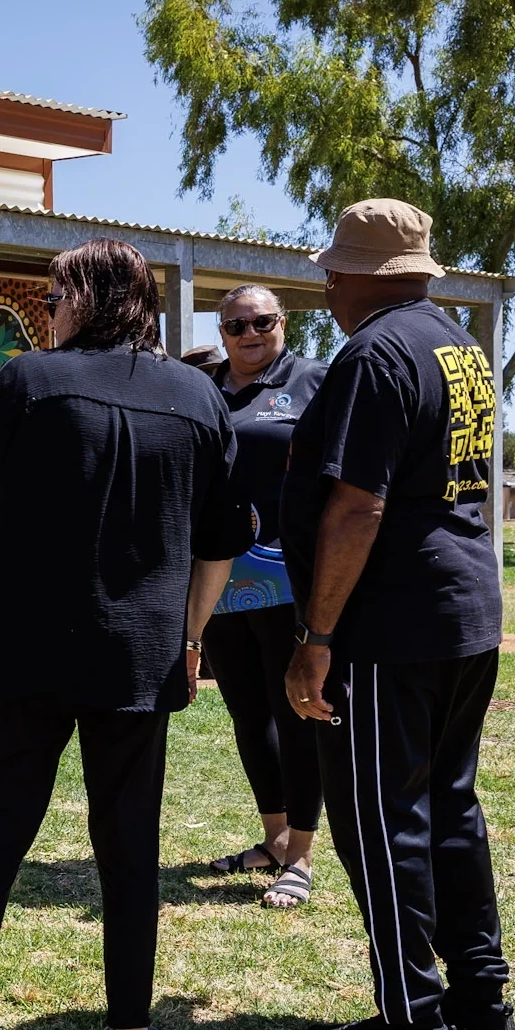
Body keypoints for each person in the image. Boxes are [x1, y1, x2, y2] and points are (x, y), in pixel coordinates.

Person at [0, 238, 247, 1030]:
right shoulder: (198, 397)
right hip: (141, 658)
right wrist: (189, 635)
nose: (47, 314)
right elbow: (222, 540)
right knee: (129, 842)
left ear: (84, 299)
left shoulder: (29, 382)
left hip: (32, 651)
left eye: (51, 298)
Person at [280, 198, 515, 1030]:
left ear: (360, 277)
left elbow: (358, 505)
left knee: (381, 823)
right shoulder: (460, 347)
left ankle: (415, 1026)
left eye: (332, 270)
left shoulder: (374, 353)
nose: (325, 283)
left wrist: (317, 635)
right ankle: (482, 1003)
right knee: (450, 806)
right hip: (465, 609)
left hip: (392, 625)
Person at [200, 286, 328, 909]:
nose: (250, 333)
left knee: (294, 713)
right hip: (218, 582)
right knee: (248, 714)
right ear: (221, 332)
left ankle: (301, 854)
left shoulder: (314, 382)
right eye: (236, 325)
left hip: (289, 583)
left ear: (283, 323)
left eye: (263, 321)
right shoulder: (201, 388)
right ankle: (275, 838)